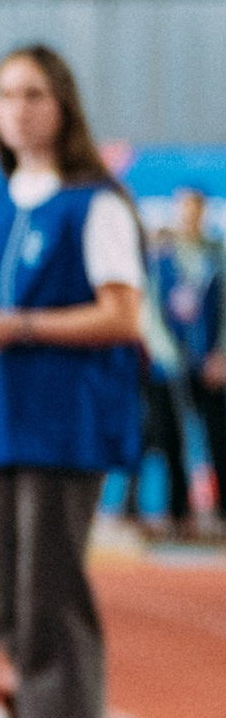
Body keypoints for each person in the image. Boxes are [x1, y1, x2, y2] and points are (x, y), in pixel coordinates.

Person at [0, 44, 143, 718]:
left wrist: (23, 327)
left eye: (33, 94)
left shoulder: (93, 206)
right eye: (5, 95)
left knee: (54, 599)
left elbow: (123, 316)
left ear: (63, 104)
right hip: (2, 426)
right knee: (14, 606)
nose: (18, 109)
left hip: (66, 427)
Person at [148, 186, 224, 528]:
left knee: (218, 440)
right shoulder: (161, 258)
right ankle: (177, 514)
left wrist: (221, 355)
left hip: (210, 367)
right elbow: (148, 310)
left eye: (195, 208)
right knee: (171, 442)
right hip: (169, 370)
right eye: (183, 207)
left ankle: (220, 512)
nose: (189, 214)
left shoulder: (217, 256)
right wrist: (166, 352)